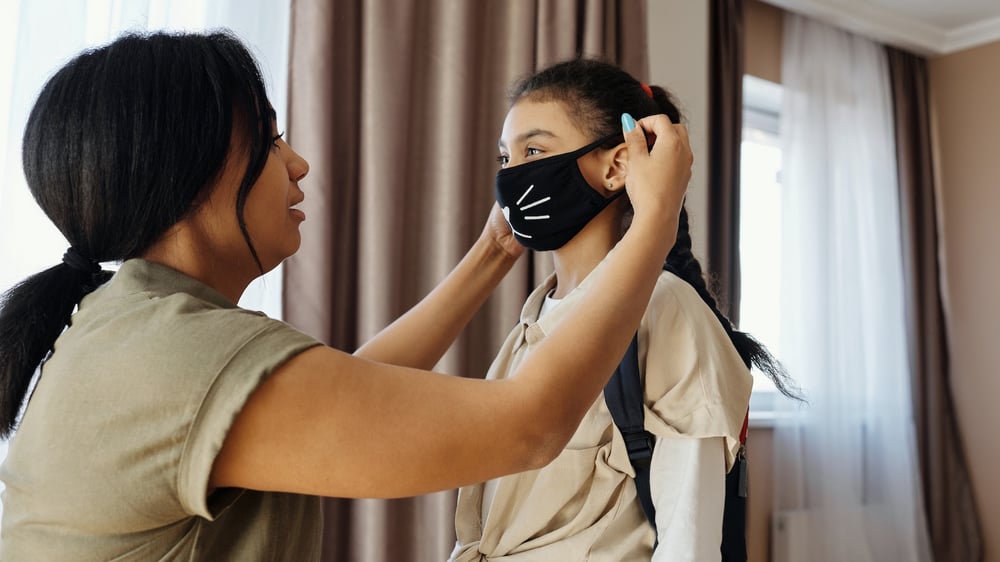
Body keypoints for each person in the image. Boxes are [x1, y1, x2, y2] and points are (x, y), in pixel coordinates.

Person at [0, 32, 692, 560]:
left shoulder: (131, 328)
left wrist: (493, 253)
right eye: (270, 141)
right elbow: (531, 424)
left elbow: (358, 385)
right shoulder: (174, 357)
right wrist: (655, 220)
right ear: (191, 171)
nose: (298, 162)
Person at [448, 59, 799, 562]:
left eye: (534, 150)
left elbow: (688, 539)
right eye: (505, 157)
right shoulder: (530, 324)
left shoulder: (667, 309)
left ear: (615, 167)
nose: (512, 176)